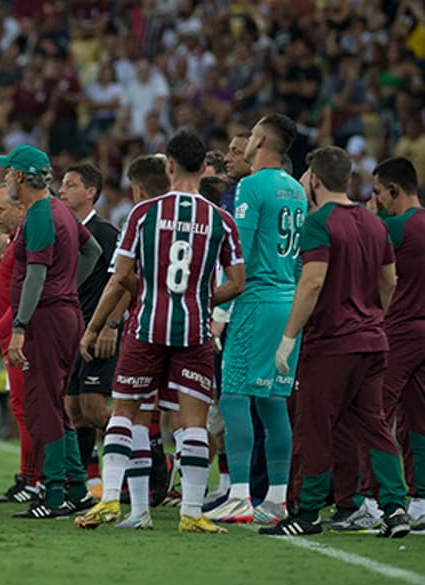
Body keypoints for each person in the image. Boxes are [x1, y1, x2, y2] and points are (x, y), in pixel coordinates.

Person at [76, 132, 246, 534]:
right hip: (194, 329)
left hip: (147, 325)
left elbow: (119, 279)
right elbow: (238, 281)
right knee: (192, 423)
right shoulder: (219, 219)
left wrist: (95, 326)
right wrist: (203, 300)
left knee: (126, 414)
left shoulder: (144, 213)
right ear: (204, 168)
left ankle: (115, 504)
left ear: (169, 166)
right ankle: (190, 512)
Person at [261, 147, 411, 538]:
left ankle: (307, 512)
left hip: (331, 343)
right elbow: (390, 281)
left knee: (315, 426)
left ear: (313, 180)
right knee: (376, 426)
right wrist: (372, 315)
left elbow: (312, 281)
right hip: (372, 341)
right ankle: (396, 509)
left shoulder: (319, 223)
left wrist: (288, 338)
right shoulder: (374, 222)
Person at [0, 146, 103, 519]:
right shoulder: (60, 210)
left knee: (43, 405)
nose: (6, 178)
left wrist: (20, 327)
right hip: (64, 312)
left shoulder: (40, 213)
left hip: (46, 317)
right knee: (56, 402)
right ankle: (77, 488)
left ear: (21, 177)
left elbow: (37, 274)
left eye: (9, 173)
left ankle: (53, 494)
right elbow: (94, 251)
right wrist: (68, 285)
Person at [207, 114, 306, 526]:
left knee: (233, 395)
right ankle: (276, 500)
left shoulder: (251, 185)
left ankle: (240, 495)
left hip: (256, 299)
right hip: (287, 298)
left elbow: (239, 256)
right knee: (272, 400)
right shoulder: (297, 188)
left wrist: (218, 310)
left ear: (261, 140)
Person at [58, 163, 120, 499]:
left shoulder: (106, 234)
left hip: (97, 334)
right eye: (62, 184)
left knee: (95, 409)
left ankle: (148, 457)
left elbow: (124, 281)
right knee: (75, 412)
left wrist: (111, 324)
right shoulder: (65, 231)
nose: (62, 190)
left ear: (91, 192)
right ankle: (83, 482)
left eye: (70, 185)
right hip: (71, 333)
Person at [0, 183, 40, 504]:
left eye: (0, 210)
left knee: (27, 409)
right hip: (11, 334)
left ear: (21, 208)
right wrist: (2, 236)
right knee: (22, 408)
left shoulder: (27, 240)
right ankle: (30, 477)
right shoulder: (16, 239)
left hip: (18, 335)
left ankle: (35, 480)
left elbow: (26, 296)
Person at [370, 158, 425, 531]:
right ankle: (420, 500)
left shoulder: (393, 228)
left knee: (372, 412)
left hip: (401, 329)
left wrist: (369, 218)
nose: (376, 200)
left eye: (378, 193)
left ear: (394, 189)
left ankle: (373, 499)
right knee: (418, 417)